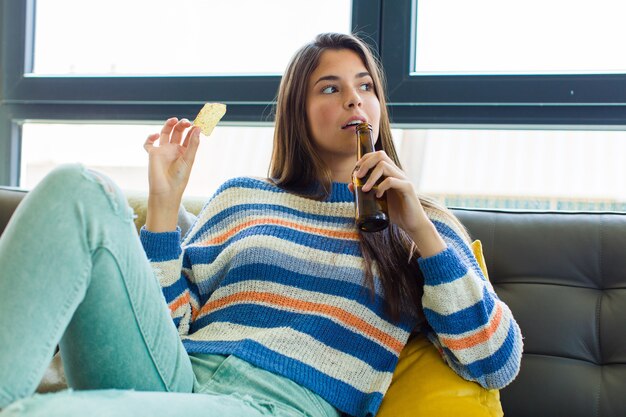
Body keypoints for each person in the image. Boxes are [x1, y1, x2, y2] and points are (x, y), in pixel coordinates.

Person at [0, 33, 522, 417]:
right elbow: (166, 328)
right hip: (174, 382)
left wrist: (419, 230)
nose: (353, 99)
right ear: (297, 109)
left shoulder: (419, 220)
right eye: (329, 88)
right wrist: (164, 205)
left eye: (365, 86)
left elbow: (494, 362)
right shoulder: (242, 198)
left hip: (276, 405)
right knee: (78, 186)